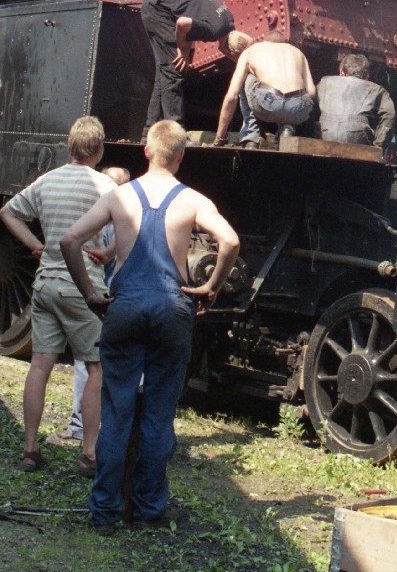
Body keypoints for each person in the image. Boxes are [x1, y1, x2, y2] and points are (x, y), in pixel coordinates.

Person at [60, 120, 240, 529]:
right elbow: (229, 241)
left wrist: (89, 292)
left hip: (124, 308)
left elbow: (70, 240)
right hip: (172, 310)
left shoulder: (120, 196)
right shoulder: (193, 199)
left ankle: (104, 511)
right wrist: (211, 285)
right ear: (180, 157)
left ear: (146, 151)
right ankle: (148, 509)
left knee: (117, 412)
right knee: (158, 415)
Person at [0, 117, 115, 474]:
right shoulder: (106, 186)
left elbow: (7, 212)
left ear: (70, 147)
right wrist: (108, 255)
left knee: (40, 365)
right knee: (95, 369)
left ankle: (31, 448)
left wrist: (35, 244)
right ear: (99, 149)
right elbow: (126, 232)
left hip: (45, 283)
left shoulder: (46, 181)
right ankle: (90, 453)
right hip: (84, 287)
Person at [60, 166, 131, 443]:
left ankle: (89, 425)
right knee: (89, 360)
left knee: (94, 362)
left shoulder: (119, 217)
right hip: (94, 292)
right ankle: (80, 424)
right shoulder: (100, 214)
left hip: (110, 292)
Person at [140, 0, 250, 134]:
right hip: (157, 10)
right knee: (174, 69)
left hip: (160, 5)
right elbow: (182, 23)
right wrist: (183, 50)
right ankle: (176, 132)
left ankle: (148, 131)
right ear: (225, 50)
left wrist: (185, 46)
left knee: (164, 72)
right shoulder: (213, 31)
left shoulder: (228, 19)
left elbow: (193, 20)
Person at [213, 30, 316, 149]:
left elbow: (232, 95)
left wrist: (220, 137)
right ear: (285, 42)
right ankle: (287, 128)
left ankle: (251, 136)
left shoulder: (250, 51)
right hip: (298, 110)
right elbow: (312, 92)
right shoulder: (298, 52)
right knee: (291, 88)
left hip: (268, 104)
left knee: (247, 77)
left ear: (265, 41)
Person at [316, 53, 396, 150]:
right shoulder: (377, 89)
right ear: (367, 77)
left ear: (341, 72)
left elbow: (310, 105)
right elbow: (389, 115)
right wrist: (379, 146)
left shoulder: (324, 82)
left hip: (324, 132)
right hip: (358, 137)